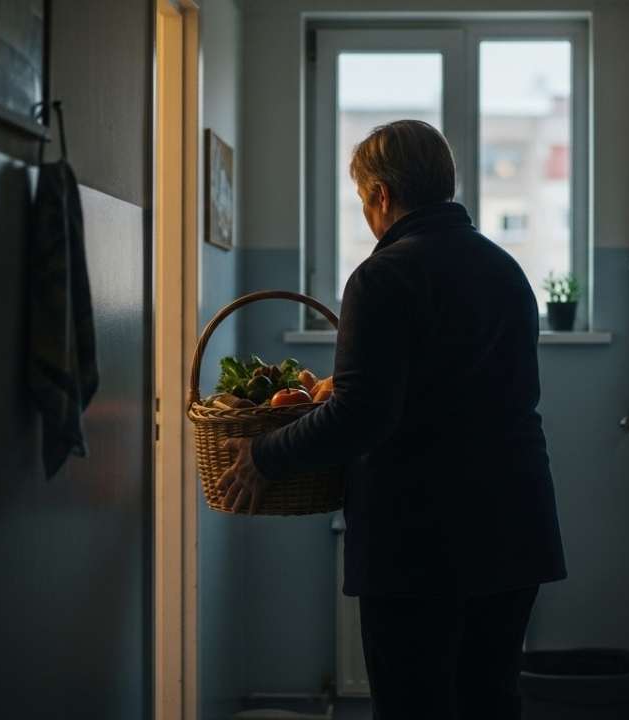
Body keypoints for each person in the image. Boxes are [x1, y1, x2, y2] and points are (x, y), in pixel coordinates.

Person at [219, 119, 566, 719]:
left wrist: (263, 455)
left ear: (382, 195)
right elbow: (455, 385)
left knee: (413, 705)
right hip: (514, 524)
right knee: (490, 699)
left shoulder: (382, 277)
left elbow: (362, 417)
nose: (366, 213)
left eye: (362, 199)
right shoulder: (505, 270)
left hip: (422, 540)